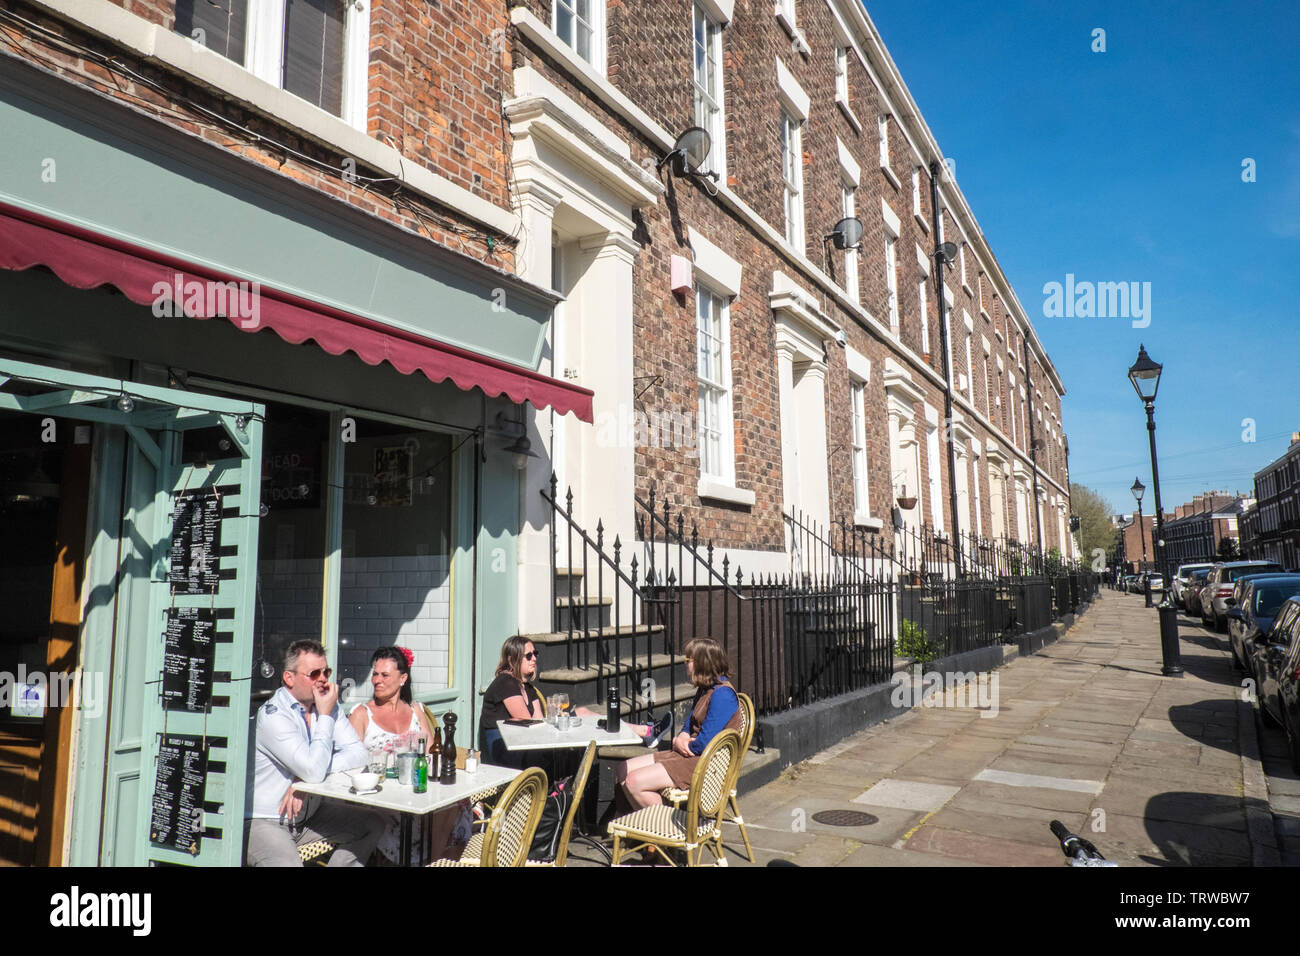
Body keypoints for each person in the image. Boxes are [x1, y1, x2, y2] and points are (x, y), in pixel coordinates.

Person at [244, 640, 384, 866]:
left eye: (326, 671)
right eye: (314, 673)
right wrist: (326, 717)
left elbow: (359, 754)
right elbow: (313, 770)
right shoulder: (273, 716)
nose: (323, 679)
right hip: (265, 820)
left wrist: (303, 782)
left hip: (309, 816)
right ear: (289, 678)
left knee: (372, 825)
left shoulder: (325, 704)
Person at [348, 646, 471, 863]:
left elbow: (434, 755)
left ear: (402, 678)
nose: (377, 680)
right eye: (375, 674)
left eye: (385, 675)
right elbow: (350, 765)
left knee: (456, 803)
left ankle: (434, 860)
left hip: (416, 791)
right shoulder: (361, 714)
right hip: (381, 797)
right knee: (434, 811)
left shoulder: (415, 710)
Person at [479, 636, 672, 768]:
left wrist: (556, 716)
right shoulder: (506, 682)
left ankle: (645, 731)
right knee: (577, 721)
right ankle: (647, 731)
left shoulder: (526, 685)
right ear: (513, 659)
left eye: (535, 653)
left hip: (525, 742)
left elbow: (538, 720)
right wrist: (556, 718)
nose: (534, 659)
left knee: (582, 713)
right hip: (505, 748)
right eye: (528, 656)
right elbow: (527, 719)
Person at [614, 638, 741, 809]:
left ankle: (661, 829)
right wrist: (681, 736)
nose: (685, 664)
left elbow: (704, 744)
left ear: (702, 662)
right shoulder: (705, 689)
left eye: (688, 660)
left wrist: (678, 742)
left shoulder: (723, 695)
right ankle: (638, 824)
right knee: (623, 769)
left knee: (634, 781)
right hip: (686, 754)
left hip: (704, 763)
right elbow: (689, 723)